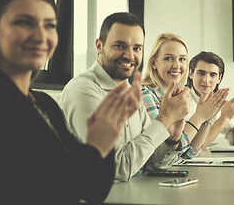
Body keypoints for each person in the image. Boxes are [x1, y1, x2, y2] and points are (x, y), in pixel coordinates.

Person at [0, 0, 143, 205]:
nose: (40, 35)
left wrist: (103, 142)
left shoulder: (44, 104)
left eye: (49, 25)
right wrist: (96, 145)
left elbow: (90, 189)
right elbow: (33, 190)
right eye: (24, 22)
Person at [59, 13, 190, 182]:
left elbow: (152, 161)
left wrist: (172, 139)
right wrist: (165, 119)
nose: (129, 55)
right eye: (120, 46)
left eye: (136, 48)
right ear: (99, 46)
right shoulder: (83, 91)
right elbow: (117, 169)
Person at [142, 34, 227, 159]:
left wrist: (207, 121)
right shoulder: (145, 94)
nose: (177, 65)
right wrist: (199, 117)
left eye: (182, 59)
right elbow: (162, 153)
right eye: (168, 59)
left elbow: (188, 152)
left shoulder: (179, 95)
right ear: (153, 63)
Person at [187, 51, 234, 147]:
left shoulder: (217, 102)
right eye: (201, 73)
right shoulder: (181, 99)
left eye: (212, 75)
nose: (206, 80)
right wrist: (224, 118)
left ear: (219, 78)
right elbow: (191, 147)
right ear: (191, 73)